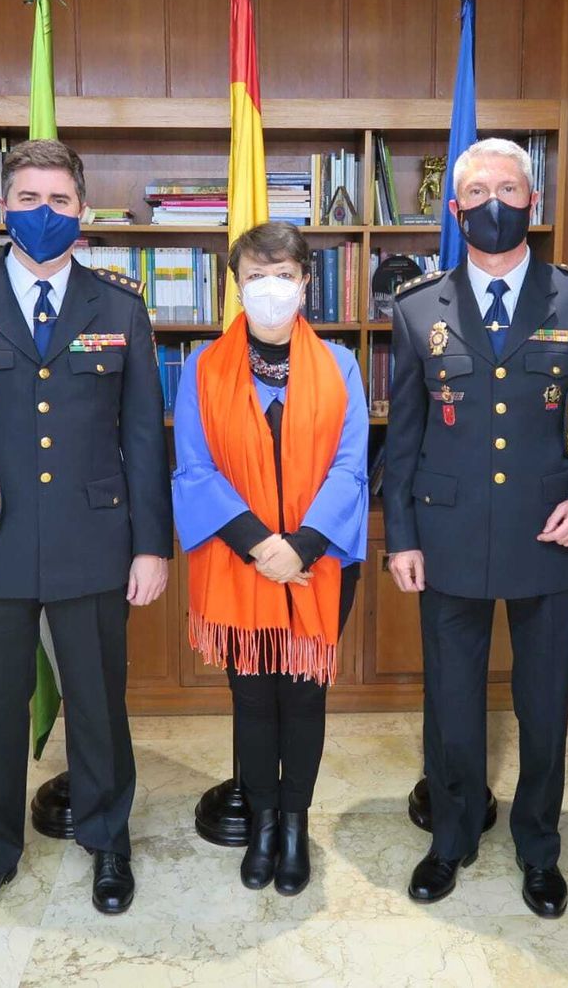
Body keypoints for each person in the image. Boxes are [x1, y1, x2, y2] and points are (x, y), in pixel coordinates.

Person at [0, 139, 171, 924]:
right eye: (27, 198)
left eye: (59, 200)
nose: (43, 213)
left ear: (81, 211)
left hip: (94, 541)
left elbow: (145, 435)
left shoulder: (119, 303)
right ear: (2, 206)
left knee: (97, 703)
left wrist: (152, 546)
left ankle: (109, 841)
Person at [383, 138, 568, 918]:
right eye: (478, 190)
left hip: (549, 537)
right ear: (454, 206)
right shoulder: (415, 308)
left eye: (510, 187)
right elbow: (401, 438)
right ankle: (453, 836)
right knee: (453, 704)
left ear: (534, 204)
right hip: (448, 537)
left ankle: (539, 845)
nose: (493, 201)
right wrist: (401, 535)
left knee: (543, 706)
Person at [172, 222, 368, 897]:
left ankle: (293, 825)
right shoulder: (201, 367)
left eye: (283, 274)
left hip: (320, 562)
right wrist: (264, 547)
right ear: (236, 285)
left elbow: (351, 468)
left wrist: (302, 547)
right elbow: (194, 471)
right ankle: (260, 825)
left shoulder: (342, 365)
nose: (270, 288)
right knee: (253, 697)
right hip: (239, 559)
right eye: (255, 276)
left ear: (307, 282)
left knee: (304, 696)